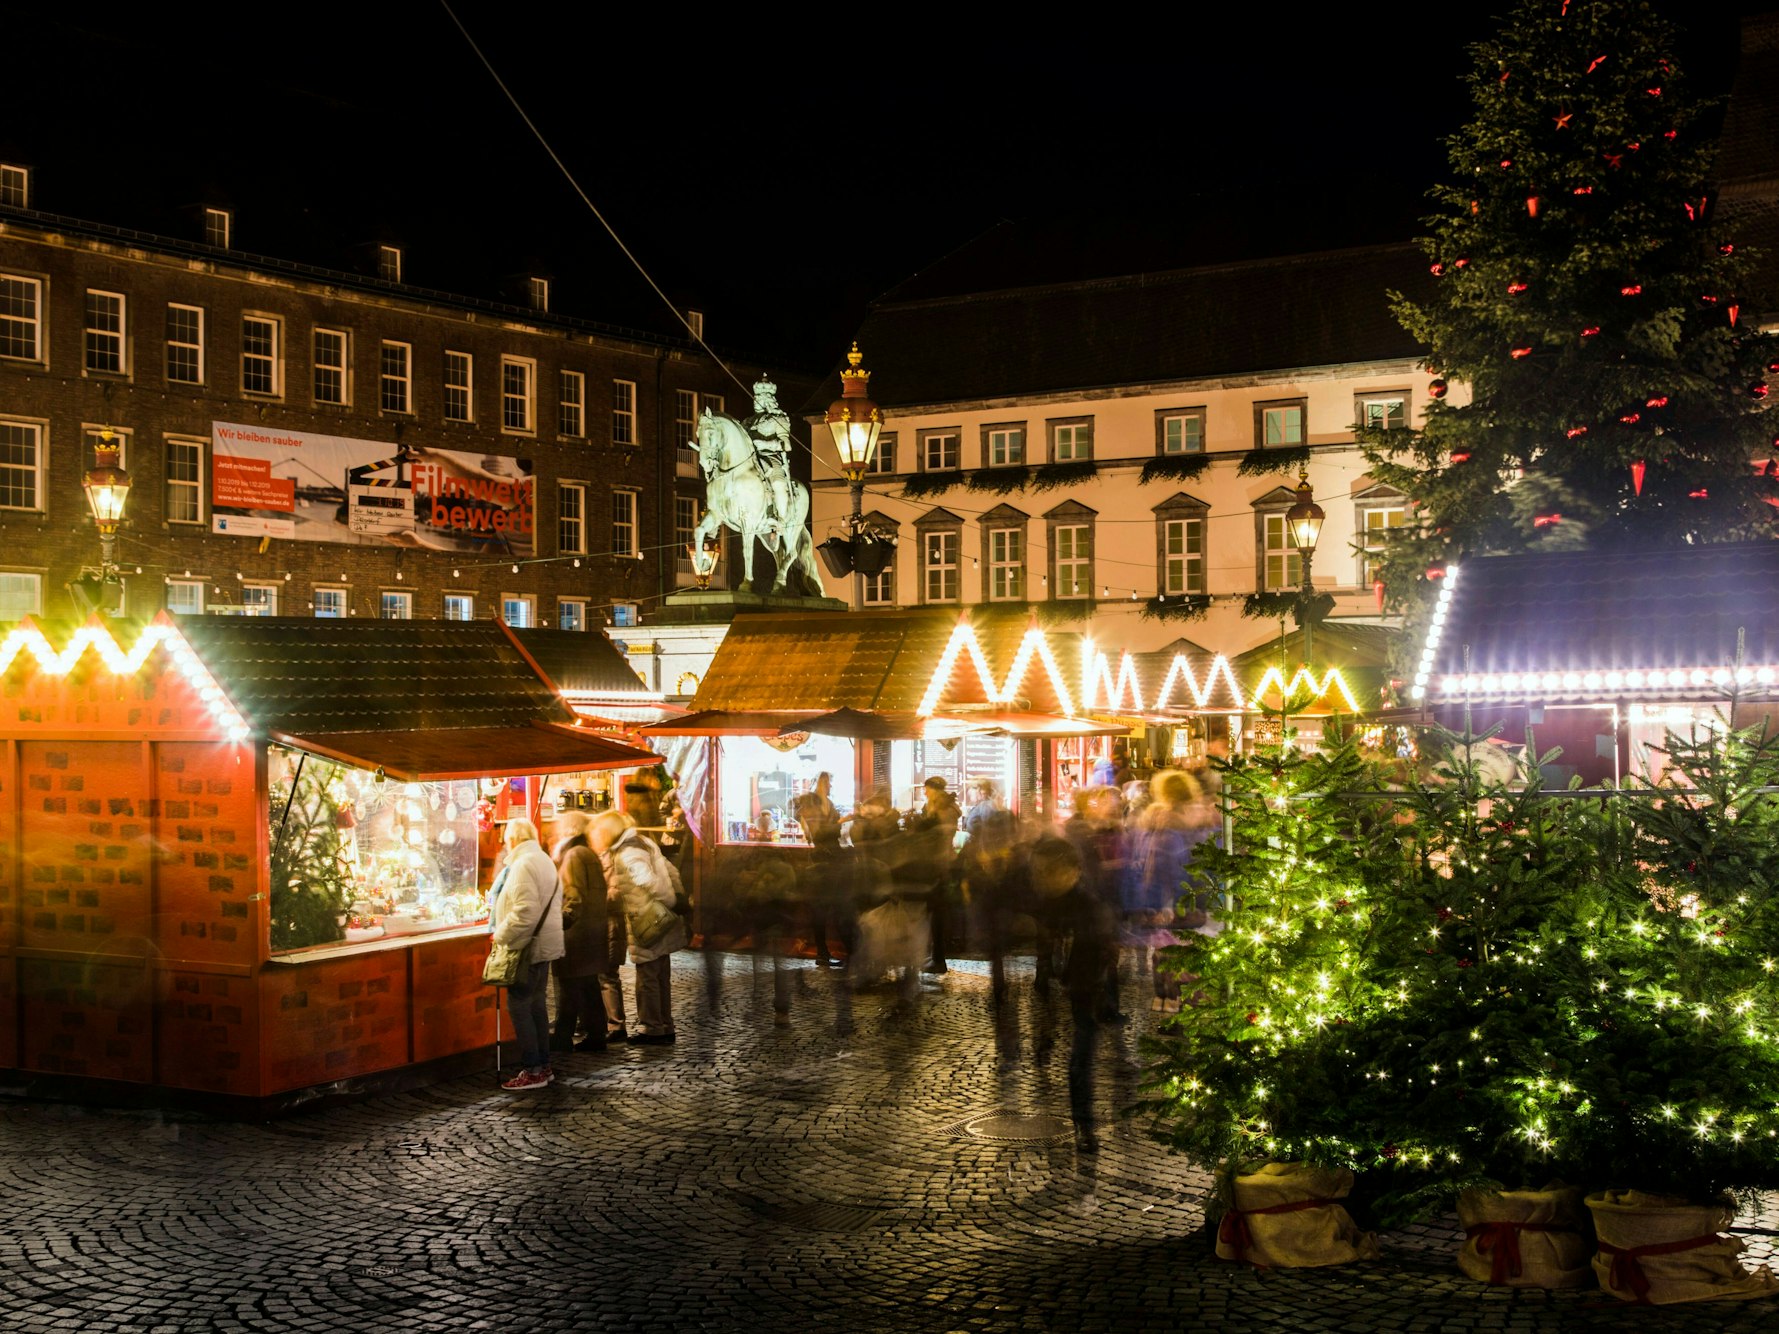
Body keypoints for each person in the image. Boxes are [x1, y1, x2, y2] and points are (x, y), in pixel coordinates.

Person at [593, 809, 686, 1044]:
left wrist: (669, 900)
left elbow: (649, 882)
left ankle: (652, 1028)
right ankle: (665, 1025)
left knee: (648, 977)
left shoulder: (628, 853)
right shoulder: (643, 841)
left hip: (647, 921)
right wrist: (677, 896)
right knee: (660, 975)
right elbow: (671, 870)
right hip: (658, 918)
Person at [490, 817, 563, 1090]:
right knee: (536, 1005)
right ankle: (544, 1066)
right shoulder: (543, 859)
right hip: (544, 944)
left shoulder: (522, 865)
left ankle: (533, 1070)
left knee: (520, 1006)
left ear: (512, 839)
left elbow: (525, 912)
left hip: (528, 947)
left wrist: (501, 935)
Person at [549, 810, 609, 1054]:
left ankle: (563, 1037)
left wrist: (561, 921)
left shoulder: (573, 855)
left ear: (568, 829)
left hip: (577, 936)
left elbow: (574, 896)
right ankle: (596, 1035)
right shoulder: (587, 853)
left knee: (570, 988)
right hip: (591, 933)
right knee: (587, 987)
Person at [907, 776, 961, 974]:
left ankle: (939, 959)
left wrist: (920, 827)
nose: (925, 792)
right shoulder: (937, 807)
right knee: (934, 912)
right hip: (936, 864)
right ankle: (935, 955)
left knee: (937, 912)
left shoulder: (943, 810)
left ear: (935, 791)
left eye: (927, 789)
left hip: (938, 866)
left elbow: (939, 836)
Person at [746, 376, 794, 528]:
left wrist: (765, 444)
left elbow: (786, 445)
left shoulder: (778, 419)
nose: (756, 401)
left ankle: (781, 519)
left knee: (778, 484)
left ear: (769, 400)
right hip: (750, 459)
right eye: (755, 398)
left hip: (771, 458)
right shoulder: (747, 422)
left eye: (759, 398)